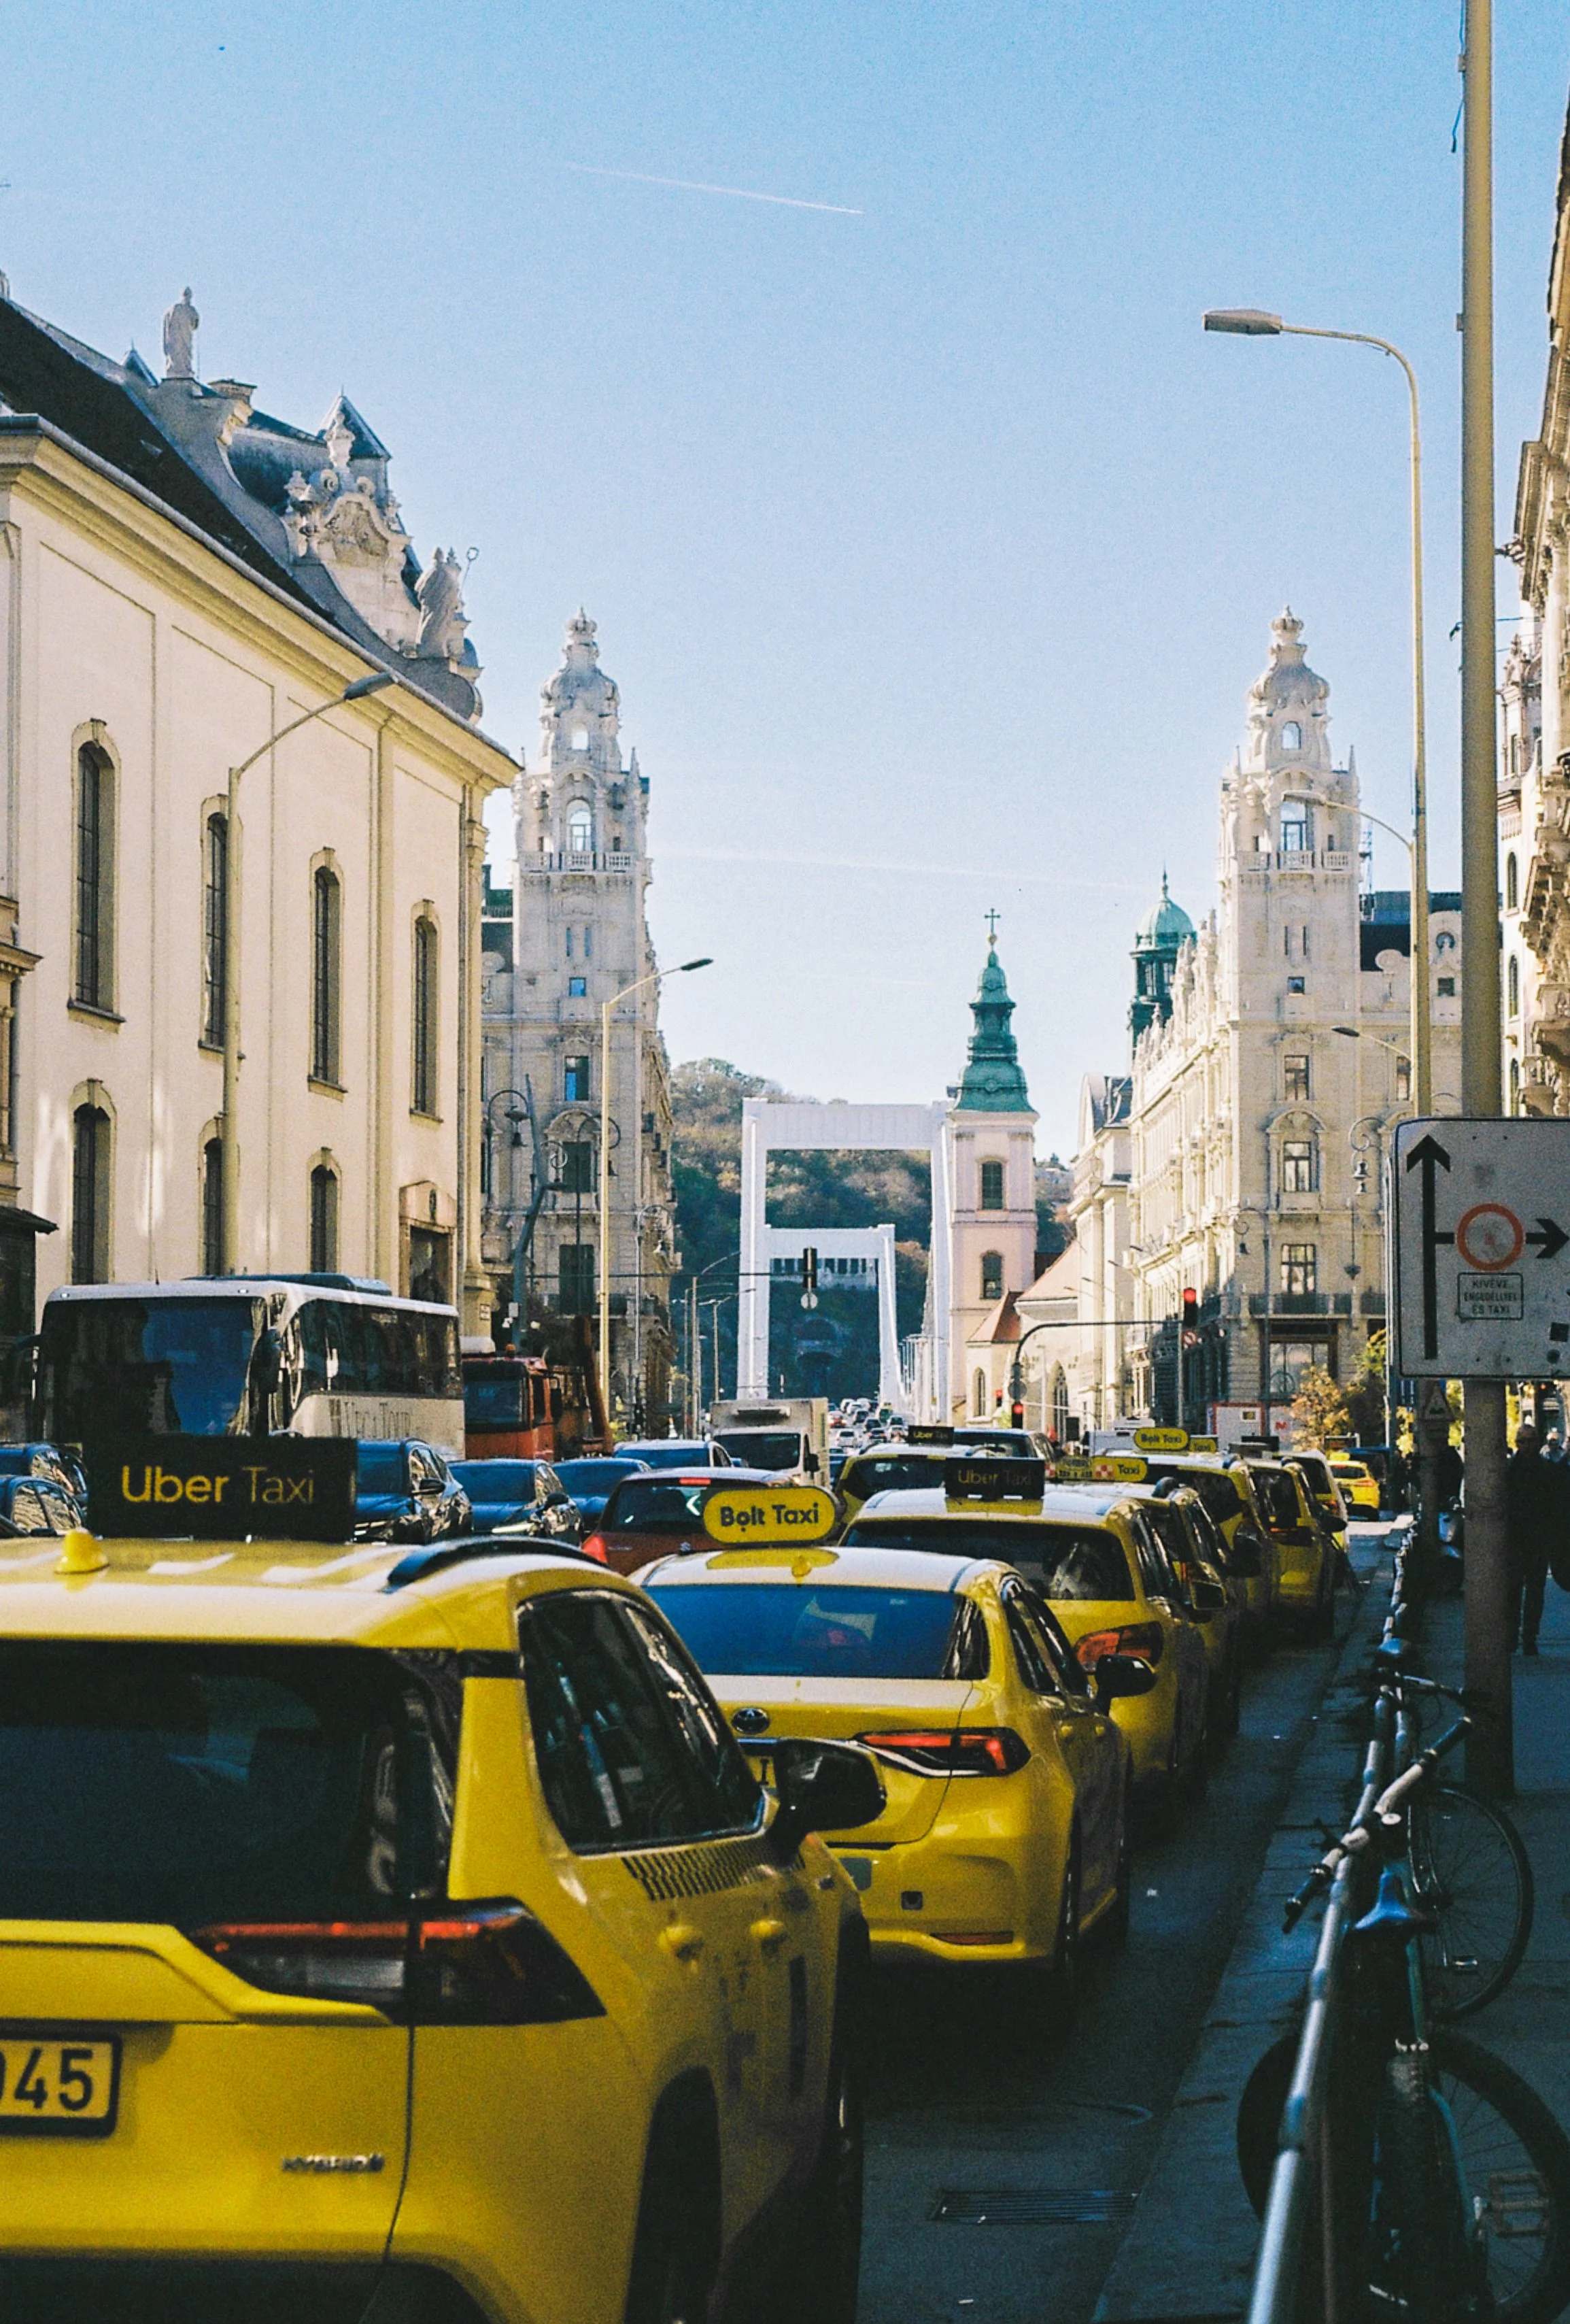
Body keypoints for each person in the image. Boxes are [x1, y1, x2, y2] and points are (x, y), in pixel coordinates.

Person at [1506, 1424, 1559, 1655]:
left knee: (1535, 1591)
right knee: (1513, 1591)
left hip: (1538, 1540)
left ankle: (1529, 1637)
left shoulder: (1546, 1470)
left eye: (1530, 1441)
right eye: (1523, 1442)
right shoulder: (1509, 1470)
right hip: (1515, 1539)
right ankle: (1511, 1636)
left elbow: (1554, 1506)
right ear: (1517, 1444)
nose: (1526, 1446)